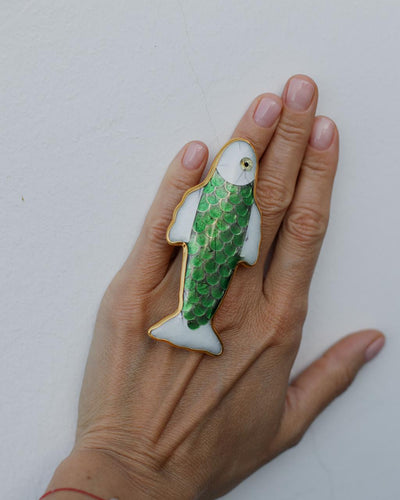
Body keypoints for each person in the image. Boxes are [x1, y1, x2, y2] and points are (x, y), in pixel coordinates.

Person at [41, 74, 385, 500]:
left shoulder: (243, 205)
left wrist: (117, 461)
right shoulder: (211, 196)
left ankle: (195, 321)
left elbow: (247, 246)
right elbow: (186, 226)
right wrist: (135, 469)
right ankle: (191, 320)